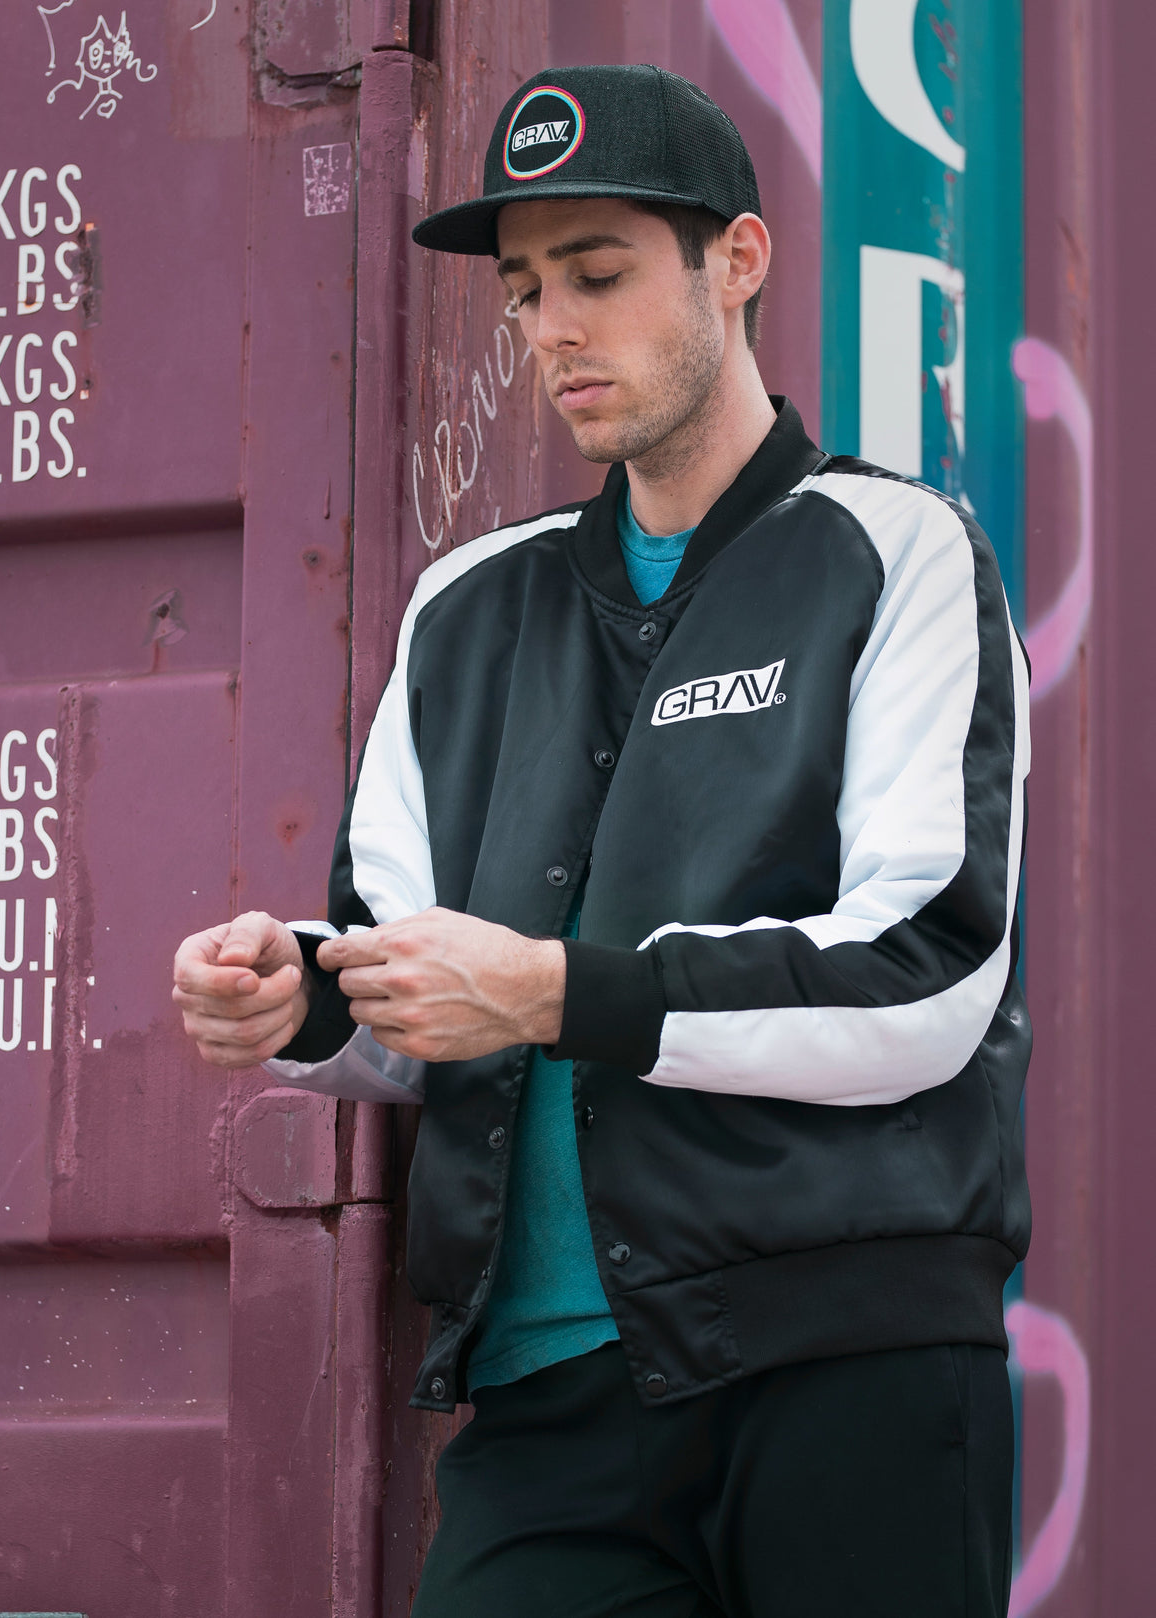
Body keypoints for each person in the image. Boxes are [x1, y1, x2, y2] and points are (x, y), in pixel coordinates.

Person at [173, 63, 1030, 1618]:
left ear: (737, 261)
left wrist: (562, 992)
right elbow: (410, 969)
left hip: (847, 1361)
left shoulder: (893, 552)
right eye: (521, 292)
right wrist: (293, 993)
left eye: (598, 272)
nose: (551, 329)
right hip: (551, 1394)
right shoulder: (466, 606)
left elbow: (927, 976)